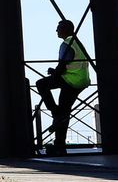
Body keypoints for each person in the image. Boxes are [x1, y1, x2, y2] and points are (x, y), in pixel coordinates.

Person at [35, 19, 91, 155]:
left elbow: (62, 65)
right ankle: (59, 142)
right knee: (64, 111)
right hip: (82, 80)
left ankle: (54, 113)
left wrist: (54, 73)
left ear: (65, 29)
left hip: (70, 79)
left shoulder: (66, 44)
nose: (56, 31)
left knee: (41, 84)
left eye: (58, 28)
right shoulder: (78, 42)